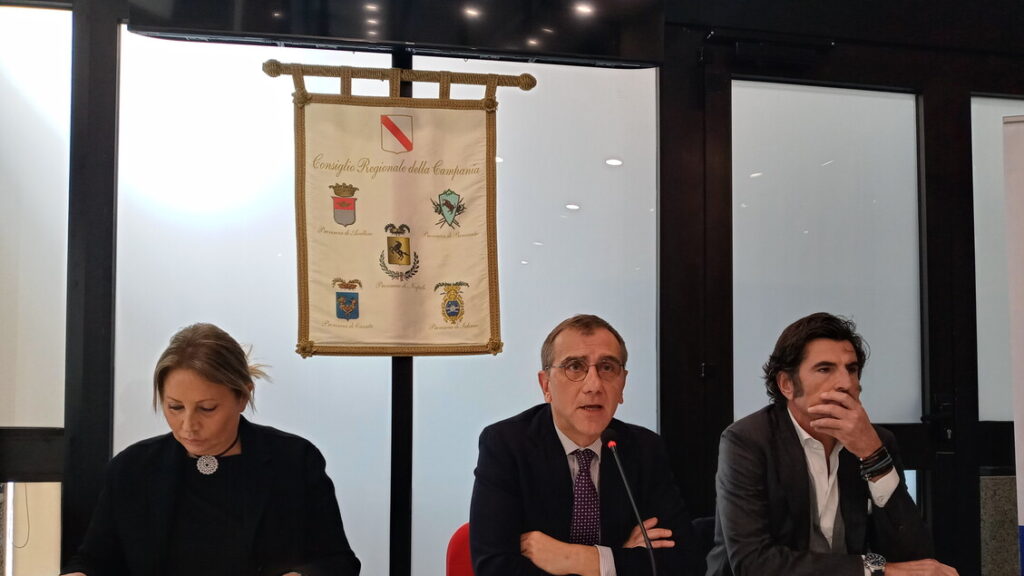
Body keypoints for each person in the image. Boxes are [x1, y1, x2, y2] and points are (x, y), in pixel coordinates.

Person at [61, 323, 360, 576]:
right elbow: (94, 560)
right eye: (175, 407)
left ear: (243, 396)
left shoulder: (294, 460)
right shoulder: (132, 468)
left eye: (207, 408)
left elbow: (337, 562)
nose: (188, 426)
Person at [705, 312, 957, 576]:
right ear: (787, 384)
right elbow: (753, 563)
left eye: (852, 369)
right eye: (825, 369)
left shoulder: (876, 441)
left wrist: (873, 456)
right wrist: (875, 570)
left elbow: (914, 556)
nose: (845, 384)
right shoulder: (747, 441)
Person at [470, 314, 700, 576]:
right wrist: (622, 559)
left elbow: (686, 563)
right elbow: (494, 568)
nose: (594, 385)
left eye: (607, 368)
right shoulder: (506, 445)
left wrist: (578, 558)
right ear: (546, 385)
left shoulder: (644, 449)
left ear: (622, 384)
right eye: (575, 367)